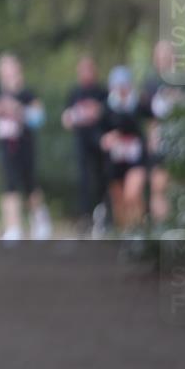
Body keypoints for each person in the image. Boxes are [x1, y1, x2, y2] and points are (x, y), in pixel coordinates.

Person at [0, 53, 52, 241]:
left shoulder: (27, 93)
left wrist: (19, 110)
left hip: (25, 144)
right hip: (5, 145)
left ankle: (39, 220)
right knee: (9, 184)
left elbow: (39, 117)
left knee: (30, 184)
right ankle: (12, 227)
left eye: (10, 68)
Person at [61, 55, 109, 237]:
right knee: (83, 179)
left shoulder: (102, 92)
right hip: (81, 142)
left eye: (89, 69)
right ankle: (85, 217)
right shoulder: (74, 92)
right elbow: (67, 118)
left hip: (99, 141)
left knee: (101, 177)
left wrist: (97, 113)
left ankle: (103, 215)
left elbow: (108, 114)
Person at [140, 41, 185, 227]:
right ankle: (162, 228)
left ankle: (181, 224)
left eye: (167, 55)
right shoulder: (150, 83)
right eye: (160, 56)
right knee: (158, 185)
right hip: (160, 141)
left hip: (181, 142)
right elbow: (146, 115)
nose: (164, 59)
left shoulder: (184, 81)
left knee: (179, 184)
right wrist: (151, 136)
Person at [100, 66, 148, 232]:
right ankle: (126, 233)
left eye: (124, 85)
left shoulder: (140, 103)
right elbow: (99, 131)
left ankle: (140, 231)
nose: (121, 89)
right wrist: (106, 138)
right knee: (119, 201)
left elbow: (151, 121)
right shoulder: (106, 106)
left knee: (132, 194)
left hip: (136, 158)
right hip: (115, 160)